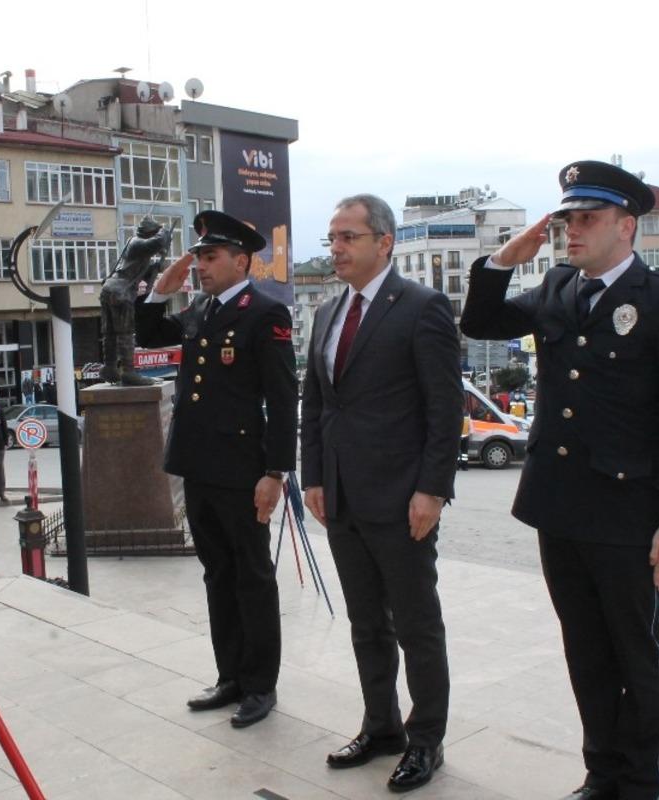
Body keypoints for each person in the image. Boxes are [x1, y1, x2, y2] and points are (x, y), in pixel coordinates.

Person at [460, 161, 659, 800]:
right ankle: (601, 775)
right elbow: (480, 323)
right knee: (586, 653)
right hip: (559, 505)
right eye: (567, 218)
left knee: (635, 655)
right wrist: (500, 262)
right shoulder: (557, 287)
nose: (571, 230)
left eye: (587, 218)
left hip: (627, 511)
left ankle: (639, 786)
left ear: (626, 226)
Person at [300, 194, 462, 793]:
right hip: (341, 498)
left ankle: (426, 741)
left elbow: (445, 412)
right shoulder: (327, 312)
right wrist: (313, 476)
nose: (336, 248)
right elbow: (316, 404)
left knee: (416, 624)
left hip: (402, 501)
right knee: (366, 623)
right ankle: (381, 726)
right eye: (333, 237)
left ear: (384, 243)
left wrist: (432, 491)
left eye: (348, 236)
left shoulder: (422, 308)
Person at [135, 210, 298, 728]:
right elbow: (149, 333)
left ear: (240, 260)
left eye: (210, 257)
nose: (200, 266)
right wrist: (161, 290)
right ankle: (229, 675)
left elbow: (282, 398)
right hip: (199, 464)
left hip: (242, 468)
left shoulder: (264, 312)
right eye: (199, 256)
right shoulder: (200, 309)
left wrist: (275, 472)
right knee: (217, 575)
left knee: (251, 577)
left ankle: (259, 684)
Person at [102, 217, 173, 386]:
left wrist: (157, 264)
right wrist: (165, 231)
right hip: (121, 292)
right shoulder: (137, 243)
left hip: (111, 288)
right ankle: (128, 372)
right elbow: (158, 242)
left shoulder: (138, 250)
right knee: (125, 334)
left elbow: (141, 273)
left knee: (110, 333)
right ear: (150, 233)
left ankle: (110, 368)